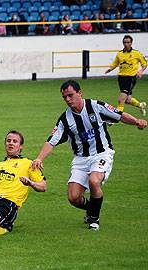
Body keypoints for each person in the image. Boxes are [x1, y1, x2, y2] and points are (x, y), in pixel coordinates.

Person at [31, 80, 147, 231]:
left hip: (101, 153)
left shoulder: (95, 106)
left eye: (70, 95)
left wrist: (137, 121)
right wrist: (39, 158)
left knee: (94, 181)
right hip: (80, 159)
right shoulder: (65, 119)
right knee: (73, 198)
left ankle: (94, 219)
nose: (67, 99)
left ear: (80, 93)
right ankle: (92, 209)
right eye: (64, 97)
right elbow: (51, 141)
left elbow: (119, 115)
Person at [105, 35, 147, 116]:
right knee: (127, 100)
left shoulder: (136, 53)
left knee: (121, 100)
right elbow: (115, 63)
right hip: (121, 78)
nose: (126, 44)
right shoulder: (119, 54)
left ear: (131, 43)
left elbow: (144, 64)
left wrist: (141, 71)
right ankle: (140, 105)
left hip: (131, 78)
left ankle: (115, 118)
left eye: (128, 42)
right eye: (124, 42)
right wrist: (110, 69)